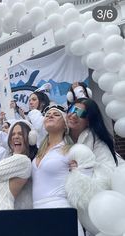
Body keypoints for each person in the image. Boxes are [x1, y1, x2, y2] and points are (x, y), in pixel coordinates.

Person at [65, 98, 118, 236]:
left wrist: (83, 166)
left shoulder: (96, 141)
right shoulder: (62, 137)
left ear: (88, 120)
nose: (74, 115)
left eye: (81, 113)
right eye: (72, 109)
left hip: (94, 208)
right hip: (65, 205)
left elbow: (110, 171)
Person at [32, 104, 85, 236]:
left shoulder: (71, 150)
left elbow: (85, 181)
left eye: (56, 115)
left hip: (60, 211)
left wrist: (78, 171)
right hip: (36, 213)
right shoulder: (38, 152)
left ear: (65, 125)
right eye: (48, 114)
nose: (50, 115)